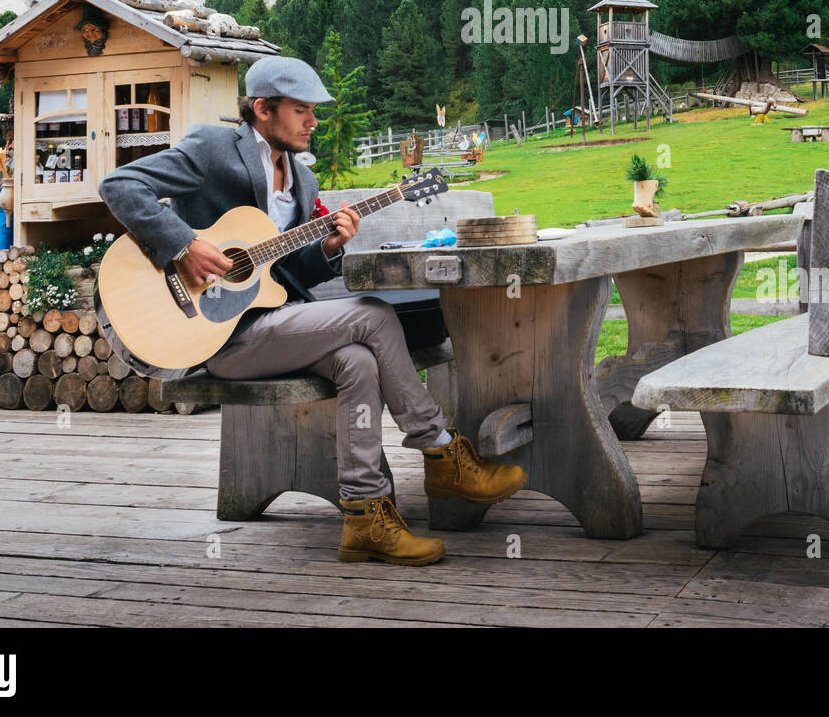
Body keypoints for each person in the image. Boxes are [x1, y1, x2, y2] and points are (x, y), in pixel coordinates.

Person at [99, 55, 526, 565]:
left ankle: (365, 516)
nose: (313, 121)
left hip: (273, 325)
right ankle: (440, 448)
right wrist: (184, 246)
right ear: (262, 109)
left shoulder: (302, 183)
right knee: (372, 314)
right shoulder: (214, 148)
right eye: (301, 110)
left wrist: (326, 248)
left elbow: (283, 278)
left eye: (313, 111)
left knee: (358, 361)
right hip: (218, 336)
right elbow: (119, 186)